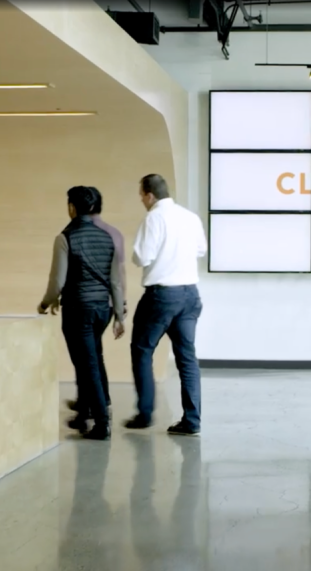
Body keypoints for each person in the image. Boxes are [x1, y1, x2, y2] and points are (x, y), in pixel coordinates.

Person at [39, 186, 126, 440]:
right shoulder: (106, 237)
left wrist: (46, 303)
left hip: (78, 310)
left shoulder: (64, 237)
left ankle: (101, 424)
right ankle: (86, 414)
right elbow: (116, 281)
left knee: (87, 365)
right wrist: (119, 315)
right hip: (103, 309)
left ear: (71, 208)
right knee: (92, 360)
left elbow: (57, 282)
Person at [125, 174, 207, 436]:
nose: (141, 200)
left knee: (141, 350)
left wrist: (145, 257)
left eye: (141, 195)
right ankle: (191, 420)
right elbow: (200, 250)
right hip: (190, 295)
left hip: (162, 295)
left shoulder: (154, 218)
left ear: (149, 195)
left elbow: (142, 256)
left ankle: (145, 413)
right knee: (187, 358)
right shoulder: (190, 217)